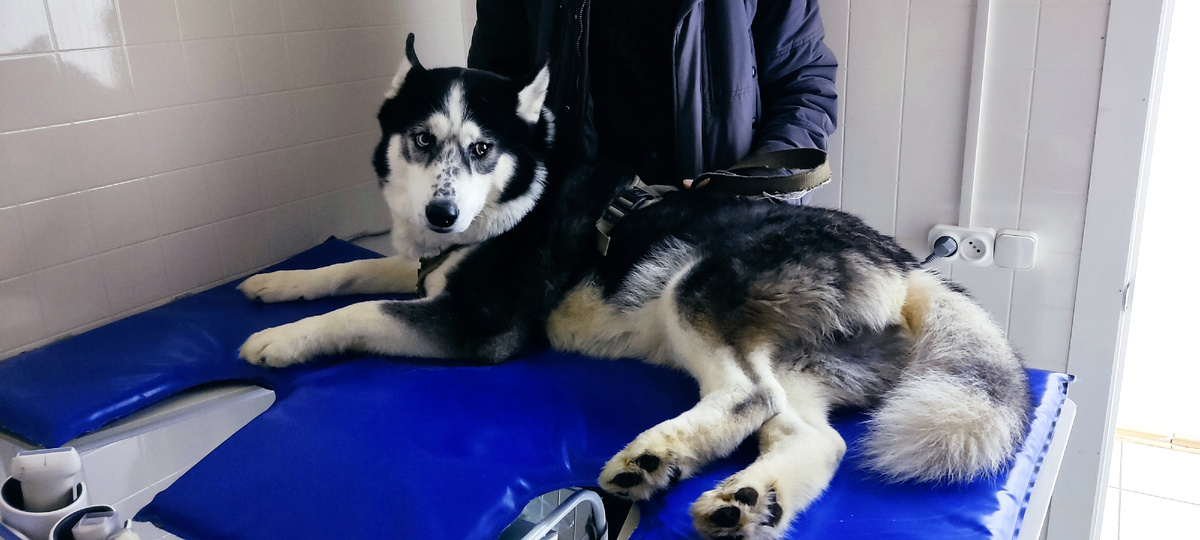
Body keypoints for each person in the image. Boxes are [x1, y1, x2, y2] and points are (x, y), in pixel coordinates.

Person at [467, 0, 838, 195]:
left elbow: (802, 85)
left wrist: (754, 184)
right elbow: (492, 92)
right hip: (567, 240)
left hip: (718, 236)